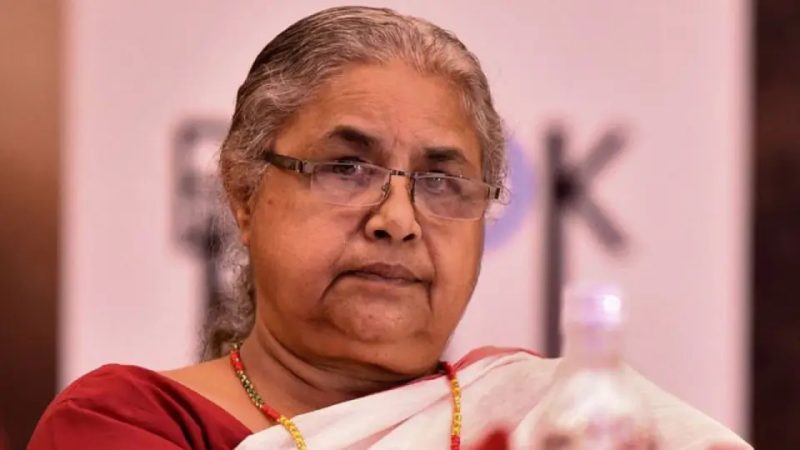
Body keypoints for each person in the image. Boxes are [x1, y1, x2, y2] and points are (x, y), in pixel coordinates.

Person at [29, 6, 751, 449]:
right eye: (346, 167)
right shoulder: (128, 424)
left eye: (441, 181)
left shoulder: (551, 420)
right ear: (244, 193)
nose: (397, 219)